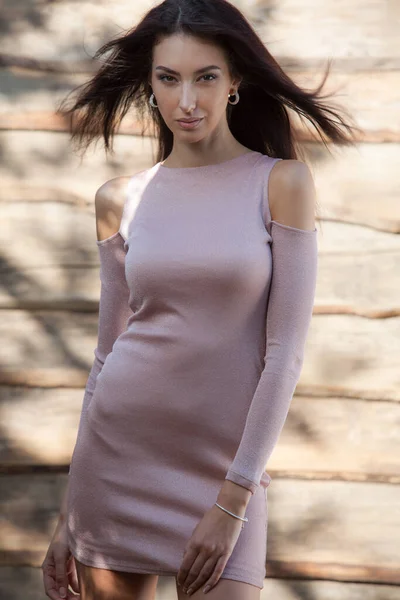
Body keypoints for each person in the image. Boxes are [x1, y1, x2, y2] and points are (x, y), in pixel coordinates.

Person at [42, 1, 357, 599]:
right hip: (116, 463)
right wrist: (69, 516)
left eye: (205, 77)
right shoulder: (119, 199)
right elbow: (107, 356)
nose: (187, 100)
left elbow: (284, 352)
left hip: (224, 476)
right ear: (150, 84)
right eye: (169, 79)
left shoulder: (281, 183)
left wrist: (235, 498)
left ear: (235, 81)